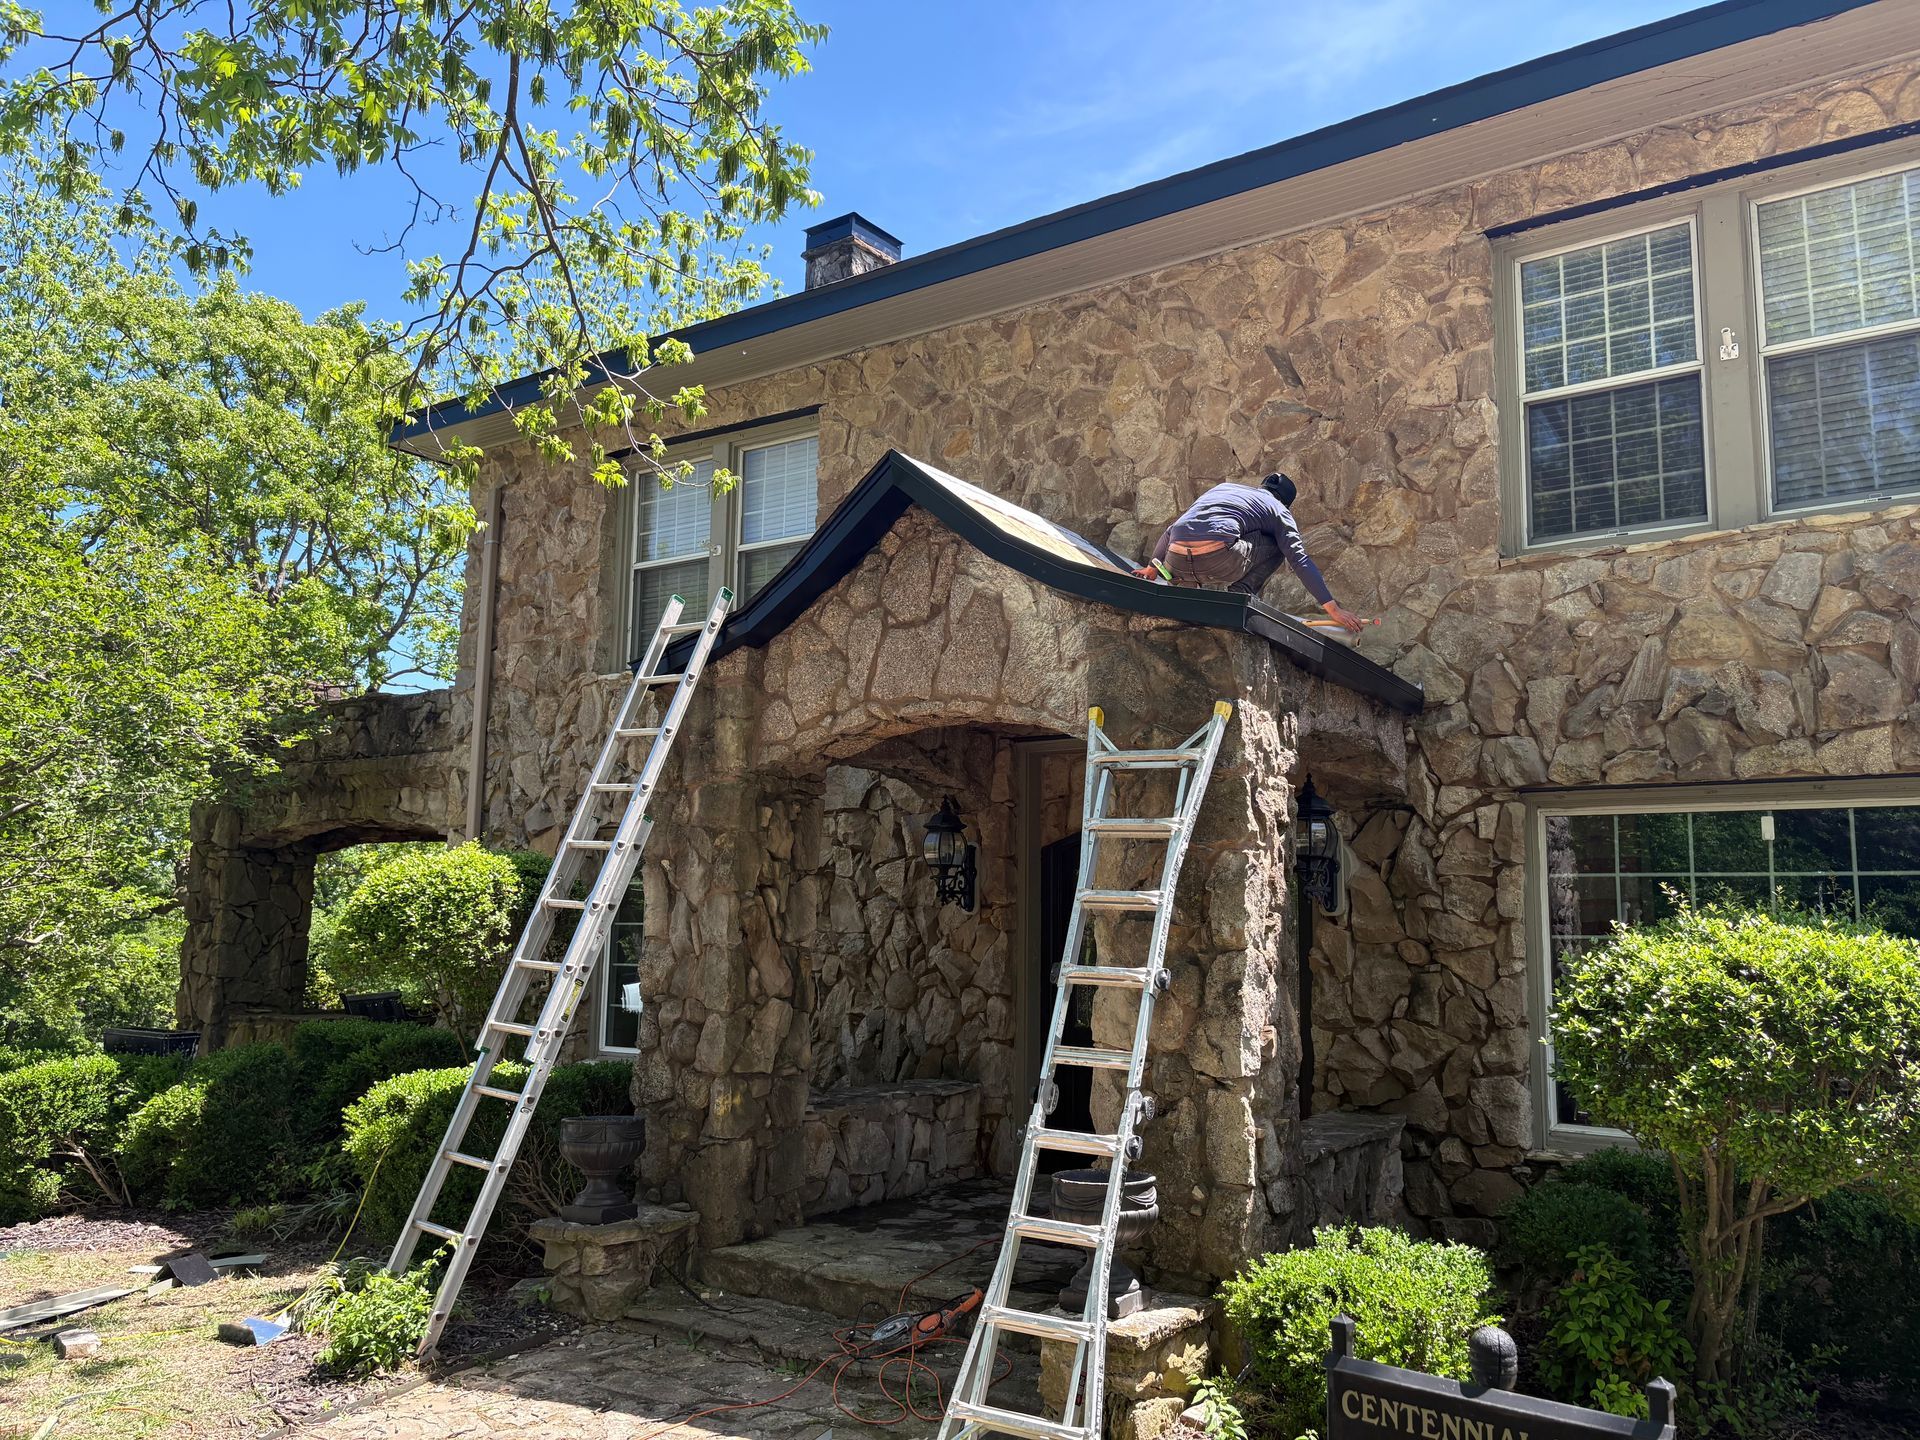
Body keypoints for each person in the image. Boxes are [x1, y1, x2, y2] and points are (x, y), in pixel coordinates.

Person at [1135, 471, 1365, 633]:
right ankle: (1241, 594)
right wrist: (1333, 609)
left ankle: (1186, 592)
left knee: (1203, 535)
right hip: (1219, 559)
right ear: (1286, 503)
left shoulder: (1224, 490)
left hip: (1174, 562)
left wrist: (1152, 568)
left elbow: (1172, 529)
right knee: (1279, 543)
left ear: (1262, 487)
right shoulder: (1279, 511)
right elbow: (1299, 559)